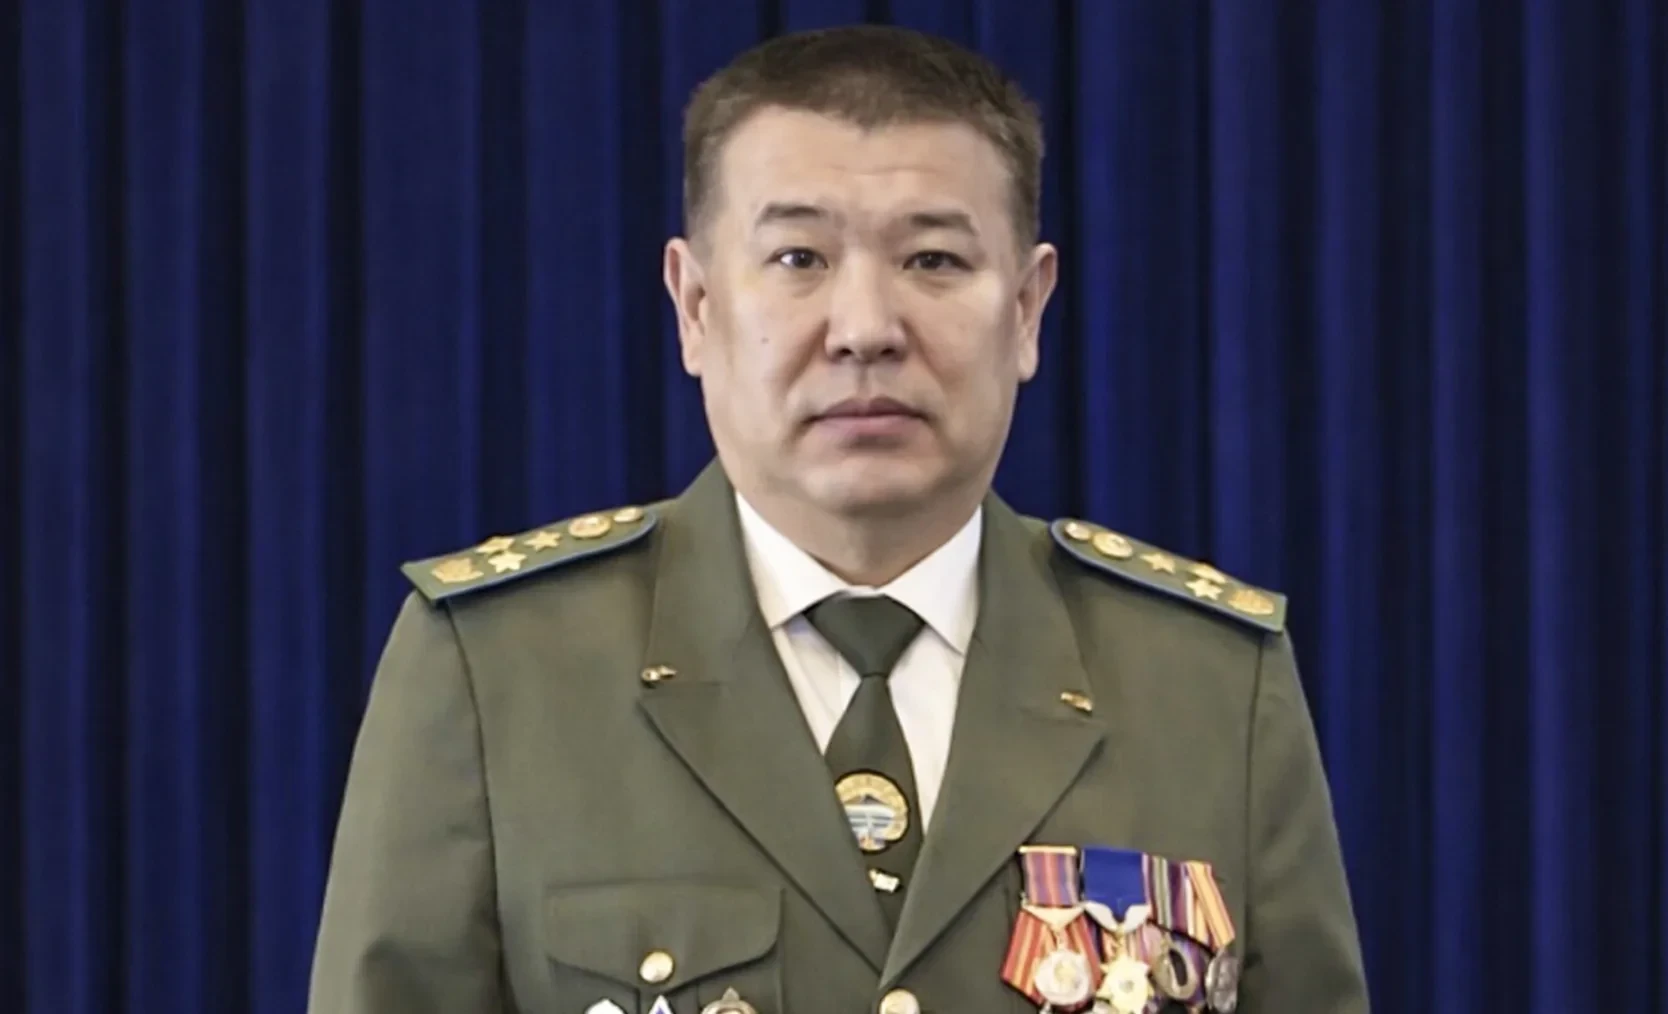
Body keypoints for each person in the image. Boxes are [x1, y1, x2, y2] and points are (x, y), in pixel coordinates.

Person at [307, 23, 1370, 1014]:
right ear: (696, 307)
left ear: (1026, 309)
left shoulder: (1210, 686)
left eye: (933, 260)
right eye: (799, 260)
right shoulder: (498, 672)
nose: (865, 328)